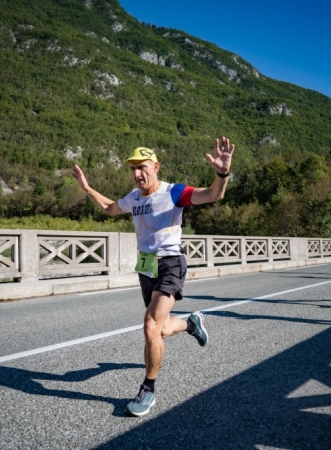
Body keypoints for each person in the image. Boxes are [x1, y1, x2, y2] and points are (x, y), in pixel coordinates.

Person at [71, 137, 235, 416]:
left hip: (171, 264)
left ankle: (148, 389)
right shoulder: (134, 198)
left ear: (156, 167)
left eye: (142, 167)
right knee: (162, 328)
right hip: (146, 268)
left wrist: (222, 174)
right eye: (133, 169)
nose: (137, 173)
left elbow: (212, 195)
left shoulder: (173, 193)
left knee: (149, 326)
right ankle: (191, 324)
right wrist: (87, 188)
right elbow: (110, 208)